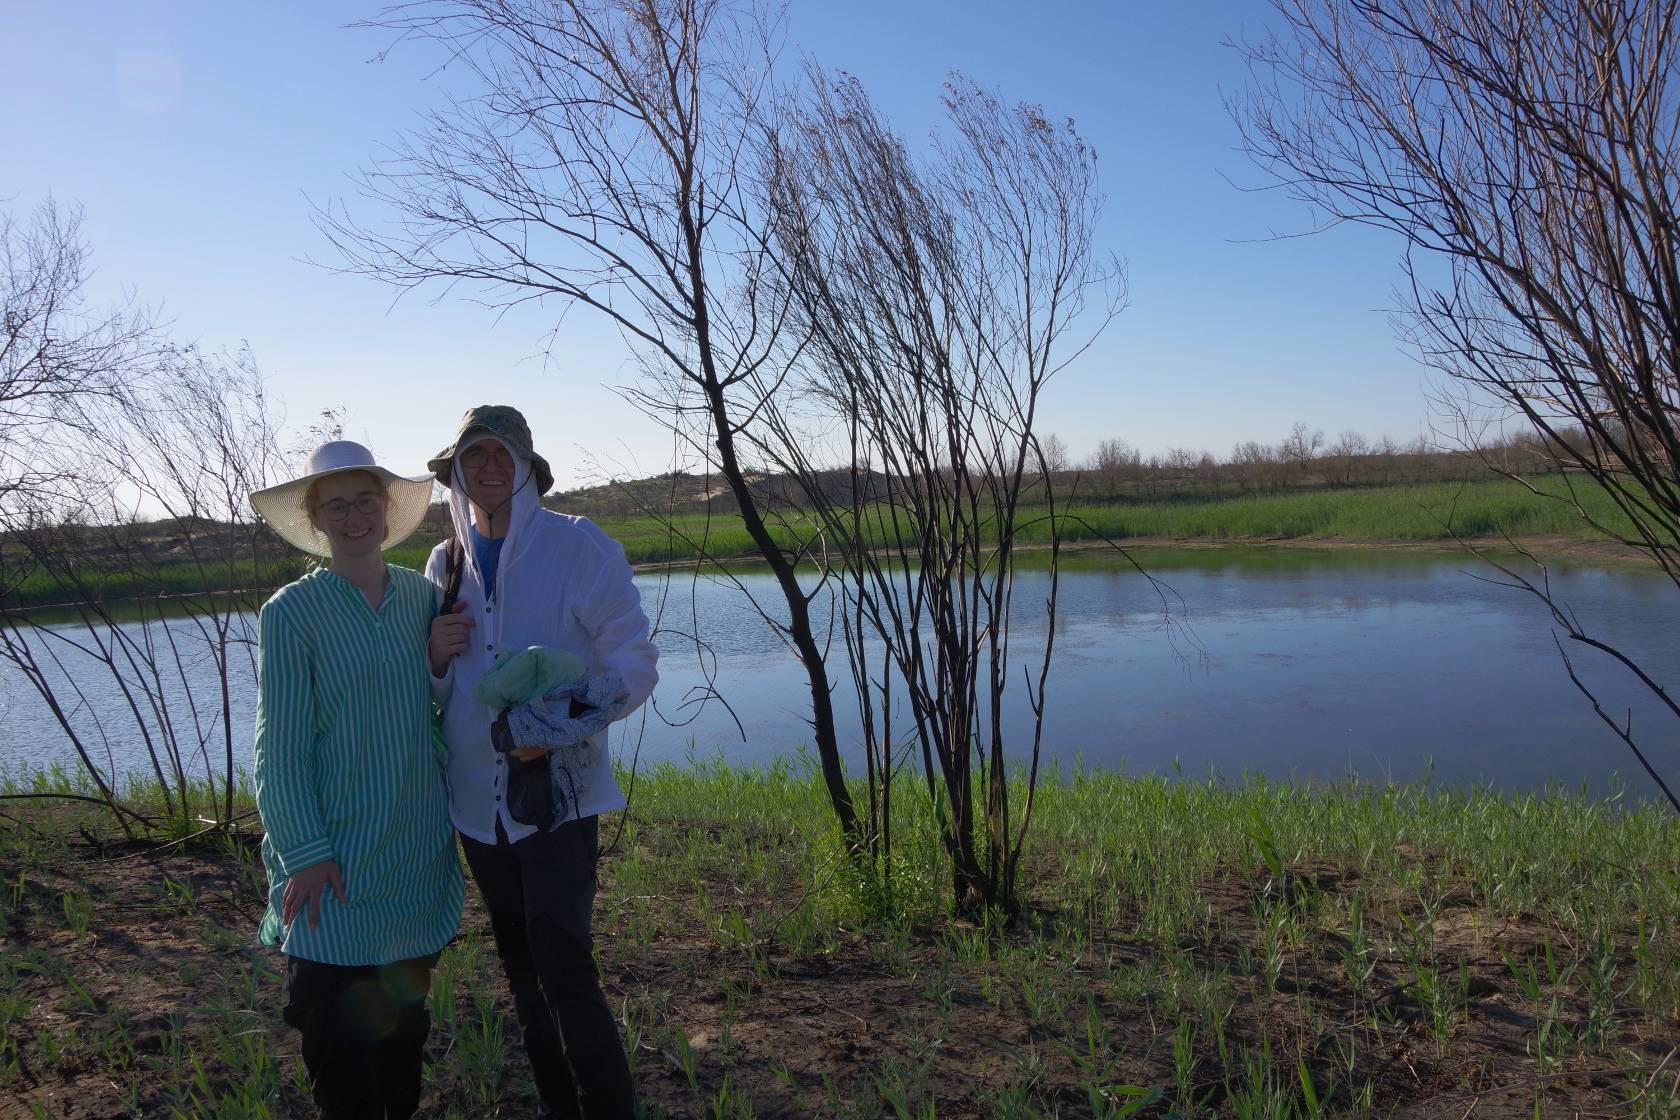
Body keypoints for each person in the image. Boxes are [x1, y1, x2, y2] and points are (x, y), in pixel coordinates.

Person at [424, 406, 657, 1120]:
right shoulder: (444, 562)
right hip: (476, 805)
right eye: (474, 455)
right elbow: (440, 691)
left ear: (526, 467)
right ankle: (561, 1106)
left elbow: (635, 663)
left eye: (502, 454)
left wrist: (550, 727)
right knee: (522, 970)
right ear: (456, 471)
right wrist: (434, 657)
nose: (489, 467)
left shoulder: (579, 548)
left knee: (567, 970)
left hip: (559, 799)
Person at [249, 441, 465, 1120]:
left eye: (364, 500)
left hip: (413, 857)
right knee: (338, 1051)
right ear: (315, 519)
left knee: (402, 1041)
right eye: (335, 505)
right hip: (333, 866)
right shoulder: (290, 613)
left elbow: (446, 708)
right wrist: (304, 855)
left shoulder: (420, 598)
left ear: (386, 507)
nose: (354, 516)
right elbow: (276, 751)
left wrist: (437, 666)